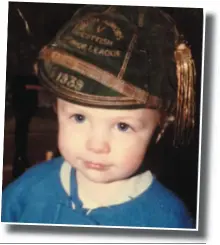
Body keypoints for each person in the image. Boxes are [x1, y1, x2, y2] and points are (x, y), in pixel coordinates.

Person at [1, 5, 196, 228]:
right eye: (79, 118)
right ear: (56, 109)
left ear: (160, 129)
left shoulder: (168, 220)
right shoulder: (27, 189)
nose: (96, 145)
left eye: (122, 126)